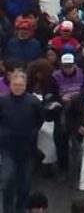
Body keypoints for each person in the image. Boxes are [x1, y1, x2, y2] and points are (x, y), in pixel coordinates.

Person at [0, 71, 44, 213]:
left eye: (21, 85)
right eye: (15, 84)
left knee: (25, 182)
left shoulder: (34, 102)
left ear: (25, 86)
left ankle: (21, 208)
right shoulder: (2, 102)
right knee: (7, 178)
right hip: (8, 148)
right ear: (10, 85)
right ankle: (7, 208)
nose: (17, 87)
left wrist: (32, 133)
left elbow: (40, 119)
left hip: (27, 149)